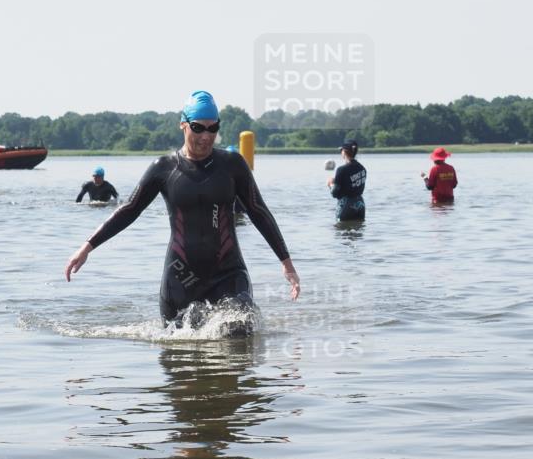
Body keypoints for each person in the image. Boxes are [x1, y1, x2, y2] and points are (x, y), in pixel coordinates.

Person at [65, 90, 300, 326]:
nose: (206, 136)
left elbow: (259, 211)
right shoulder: (164, 168)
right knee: (177, 349)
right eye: (198, 128)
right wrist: (87, 247)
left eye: (213, 128)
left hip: (228, 274)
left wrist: (286, 263)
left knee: (238, 327)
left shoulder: (232, 165)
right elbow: (129, 209)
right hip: (180, 276)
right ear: (183, 125)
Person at [327, 140, 366, 221]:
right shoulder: (362, 168)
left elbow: (334, 193)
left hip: (346, 205)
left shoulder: (341, 170)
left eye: (341, 150)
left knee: (340, 230)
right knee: (359, 231)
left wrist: (330, 184)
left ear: (344, 152)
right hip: (360, 204)